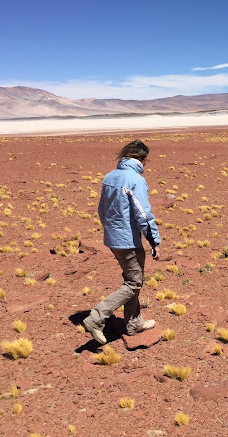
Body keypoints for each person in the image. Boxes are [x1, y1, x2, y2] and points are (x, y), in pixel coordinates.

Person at [83, 140, 161, 344]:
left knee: (132, 277)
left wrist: (111, 231)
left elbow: (102, 210)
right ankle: (96, 318)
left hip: (113, 239)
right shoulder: (135, 179)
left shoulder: (110, 177)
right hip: (128, 241)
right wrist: (154, 242)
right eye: (146, 160)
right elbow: (143, 214)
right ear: (141, 159)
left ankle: (133, 323)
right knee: (134, 282)